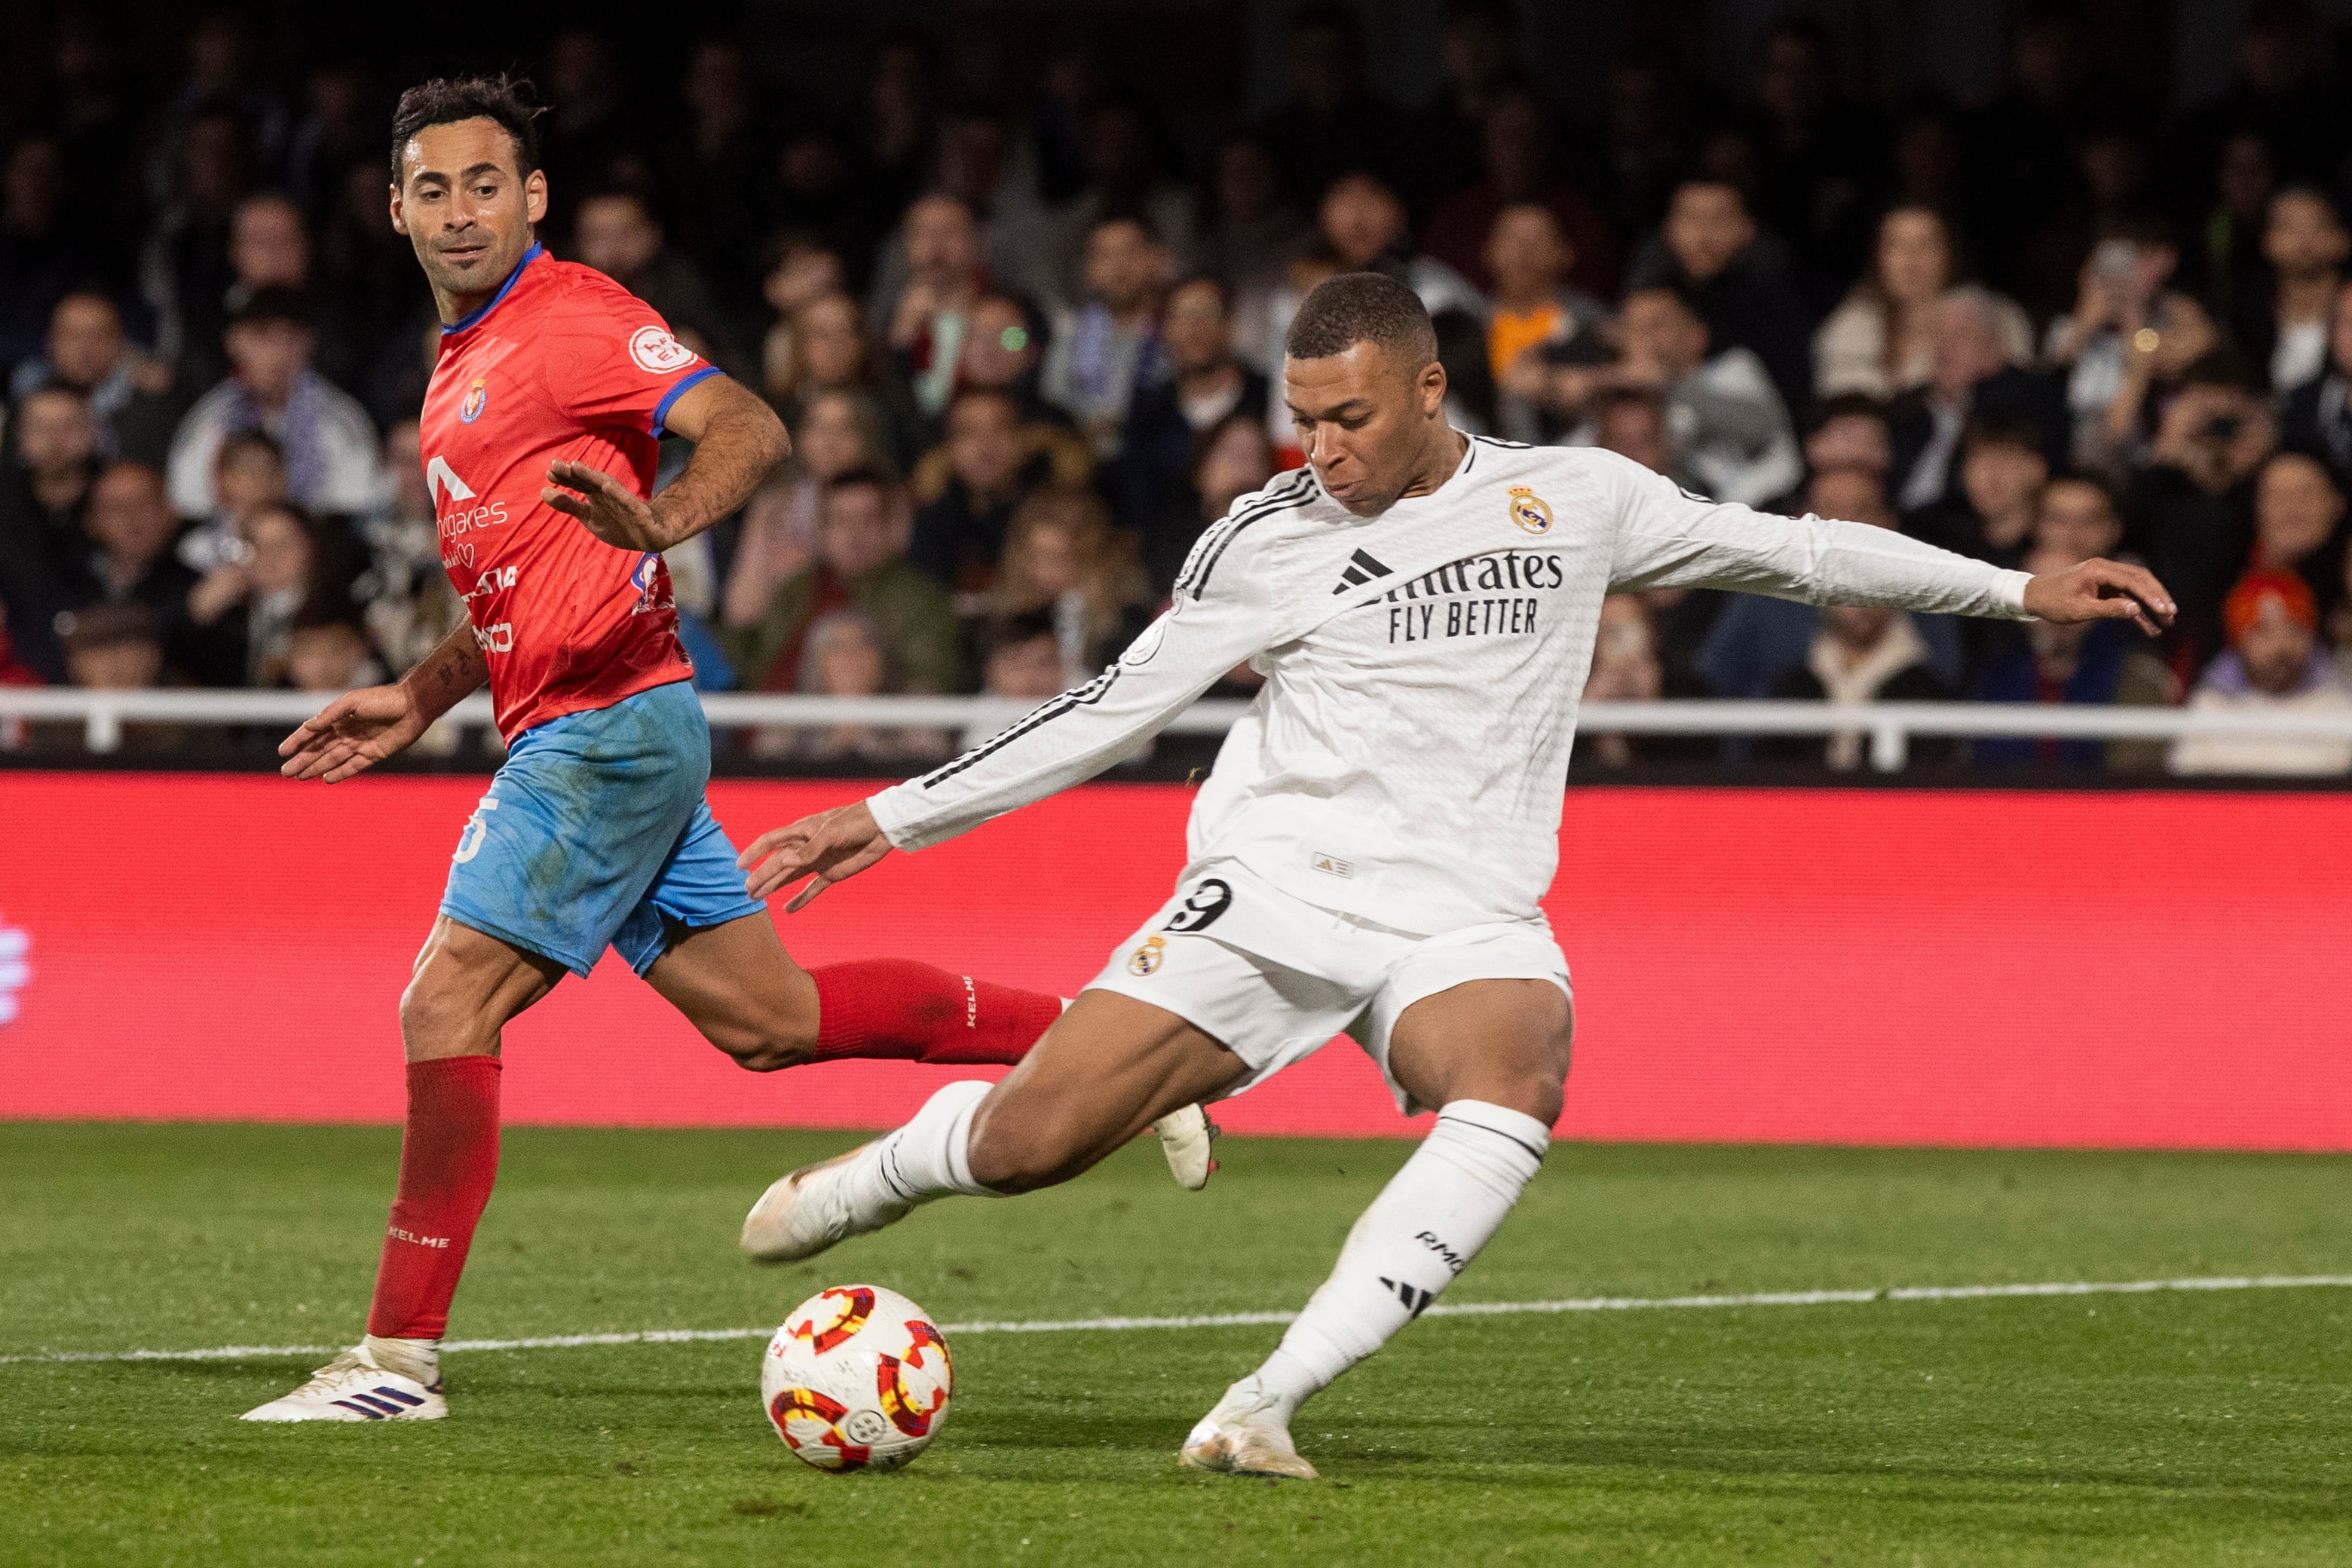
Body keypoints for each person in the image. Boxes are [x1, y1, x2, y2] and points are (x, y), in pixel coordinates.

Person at [727, 271, 2173, 1478]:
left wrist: (2011, 587)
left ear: (1430, 390)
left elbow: (1790, 553)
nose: (1321, 450)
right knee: (1029, 1150)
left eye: (1348, 416)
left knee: (1519, 1067)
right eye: (1301, 419)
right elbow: (1112, 705)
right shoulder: (1265, 536)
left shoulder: (1579, 498)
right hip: (1280, 880)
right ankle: (888, 1172)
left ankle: (1263, 1405)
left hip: (1462, 905)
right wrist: (893, 816)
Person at [244, 78, 1207, 1426]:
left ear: (533, 199)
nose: (460, 209)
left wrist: (666, 520)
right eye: (433, 188)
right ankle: (1114, 1048)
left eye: (485, 183)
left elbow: (753, 424)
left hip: (604, 733)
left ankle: (396, 1366)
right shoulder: (460, 362)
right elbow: (523, 579)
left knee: (441, 1008)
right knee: (775, 1023)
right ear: (394, 209)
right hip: (600, 722)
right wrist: (422, 691)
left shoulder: (570, 318)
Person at [731, 467, 963, 700]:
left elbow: (934, 681)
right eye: (841, 520)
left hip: (884, 728)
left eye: (868, 519)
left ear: (890, 528)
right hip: (784, 725)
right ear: (822, 529)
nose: (854, 533)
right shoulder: (794, 590)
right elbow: (755, 670)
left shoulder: (922, 599)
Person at [164, 286, 382, 524]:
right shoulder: (210, 418)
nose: (275, 353)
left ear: (308, 344)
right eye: (261, 337)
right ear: (234, 342)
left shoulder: (341, 418)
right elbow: (188, 503)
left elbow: (356, 505)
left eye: (289, 339)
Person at [1812, 206, 2032, 400]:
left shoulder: (1992, 317)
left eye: (1926, 244)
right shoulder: (1850, 328)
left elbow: (2015, 398)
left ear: (1950, 253)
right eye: (1896, 244)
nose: (1910, 259)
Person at [2167, 571, 2352, 776]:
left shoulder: (2339, 708)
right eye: (2263, 631)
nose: (2281, 646)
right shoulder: (2209, 707)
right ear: (2238, 642)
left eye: (2295, 630)